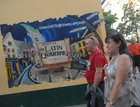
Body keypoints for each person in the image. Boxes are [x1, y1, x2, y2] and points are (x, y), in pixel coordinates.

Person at [104, 32, 140, 107]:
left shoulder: (123, 57)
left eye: (109, 43)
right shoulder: (114, 57)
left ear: (119, 43)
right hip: (117, 101)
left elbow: (118, 82)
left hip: (126, 102)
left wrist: (110, 102)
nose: (107, 46)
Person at [85, 33, 108, 107]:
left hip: (98, 85)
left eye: (87, 44)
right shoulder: (93, 54)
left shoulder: (98, 54)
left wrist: (94, 87)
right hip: (93, 85)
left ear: (93, 44)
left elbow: (98, 72)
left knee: (99, 104)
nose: (86, 46)